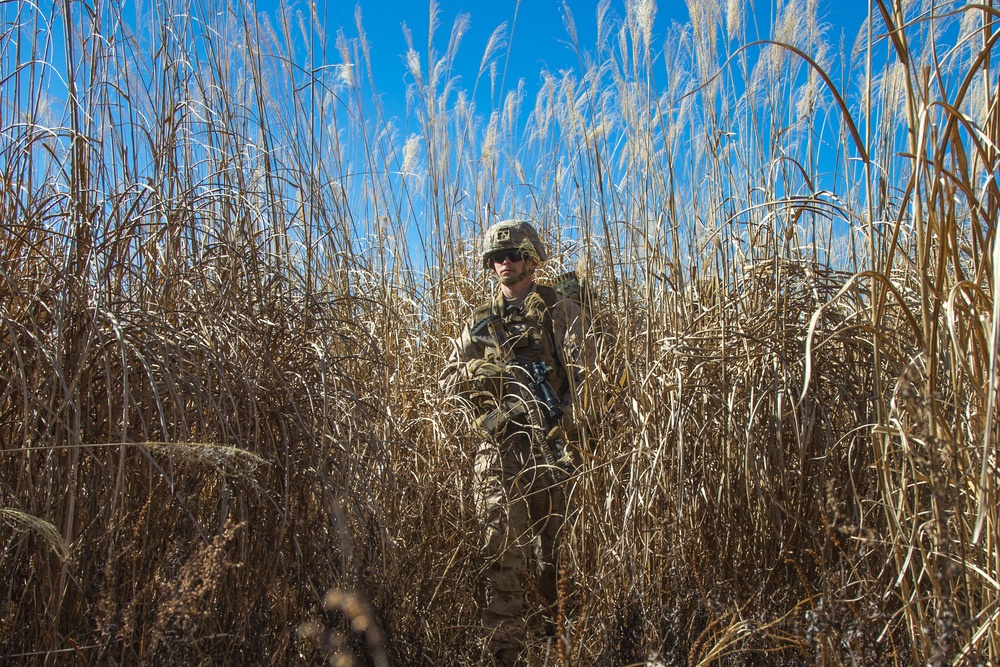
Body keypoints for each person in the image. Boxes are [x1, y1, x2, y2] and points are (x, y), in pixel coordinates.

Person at [439, 219, 589, 666]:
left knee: (555, 561)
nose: (505, 263)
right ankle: (502, 656)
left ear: (531, 259)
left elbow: (587, 382)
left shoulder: (561, 310)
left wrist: (565, 424)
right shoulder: (480, 322)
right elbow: (447, 382)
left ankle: (557, 651)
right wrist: (477, 374)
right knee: (500, 555)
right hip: (499, 450)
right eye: (497, 258)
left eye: (513, 255)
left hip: (551, 445)